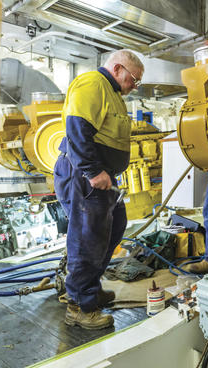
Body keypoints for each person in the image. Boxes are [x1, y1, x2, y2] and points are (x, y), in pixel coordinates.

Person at [54, 50, 144, 330]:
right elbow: (77, 127)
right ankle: (80, 306)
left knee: (116, 226)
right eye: (133, 80)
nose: (133, 86)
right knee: (88, 238)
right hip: (85, 174)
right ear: (117, 69)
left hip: (102, 176)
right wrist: (93, 171)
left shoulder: (113, 93)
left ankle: (89, 287)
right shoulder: (93, 83)